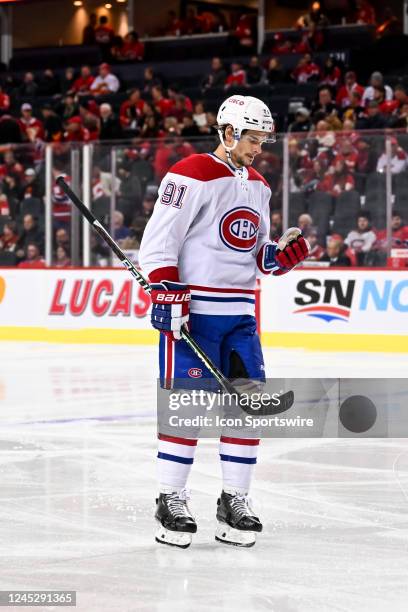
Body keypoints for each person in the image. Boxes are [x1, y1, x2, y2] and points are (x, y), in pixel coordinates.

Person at [139, 95, 310, 549]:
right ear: (230, 131)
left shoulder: (259, 185)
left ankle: (235, 499)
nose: (259, 148)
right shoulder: (191, 173)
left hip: (240, 316)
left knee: (247, 408)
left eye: (262, 140)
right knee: (187, 409)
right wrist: (165, 288)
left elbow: (254, 254)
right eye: (253, 138)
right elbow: (158, 244)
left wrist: (277, 259)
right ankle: (170, 498)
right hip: (195, 317)